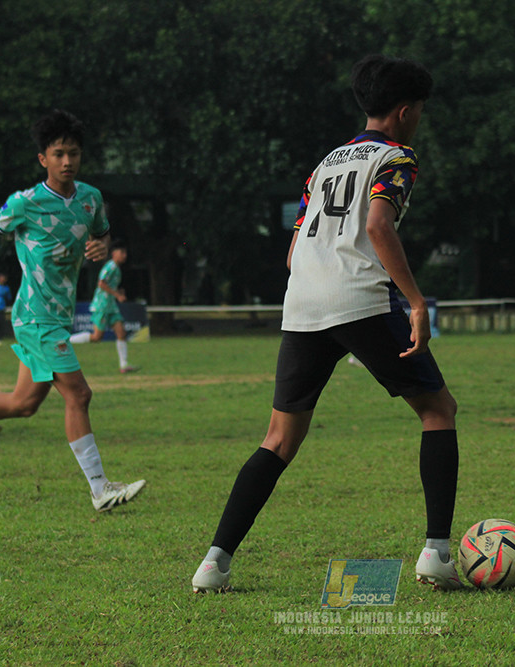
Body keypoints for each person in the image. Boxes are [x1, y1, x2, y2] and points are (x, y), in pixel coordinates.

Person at [191, 54, 461, 593]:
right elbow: (379, 225)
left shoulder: (326, 163)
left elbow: (294, 251)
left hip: (302, 304)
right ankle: (436, 552)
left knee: (278, 438)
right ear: (406, 111)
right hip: (359, 297)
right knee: (438, 410)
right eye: (422, 111)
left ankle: (213, 563)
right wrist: (415, 301)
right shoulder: (397, 156)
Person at [0, 109, 145, 512]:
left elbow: (101, 235)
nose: (67, 161)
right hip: (34, 317)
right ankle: (100, 489)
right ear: (43, 159)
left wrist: (101, 248)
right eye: (58, 153)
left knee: (24, 403)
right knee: (80, 393)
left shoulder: (91, 200)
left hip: (58, 316)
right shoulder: (26, 203)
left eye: (73, 153)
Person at [68, 240, 138, 373]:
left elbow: (110, 285)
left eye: (125, 252)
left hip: (110, 306)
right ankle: (66, 341)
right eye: (122, 252)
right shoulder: (110, 267)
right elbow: (101, 284)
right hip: (102, 305)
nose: (124, 255)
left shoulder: (116, 268)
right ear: (114, 253)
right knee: (96, 337)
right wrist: (117, 295)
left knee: (121, 333)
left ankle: (124, 365)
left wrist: (119, 292)